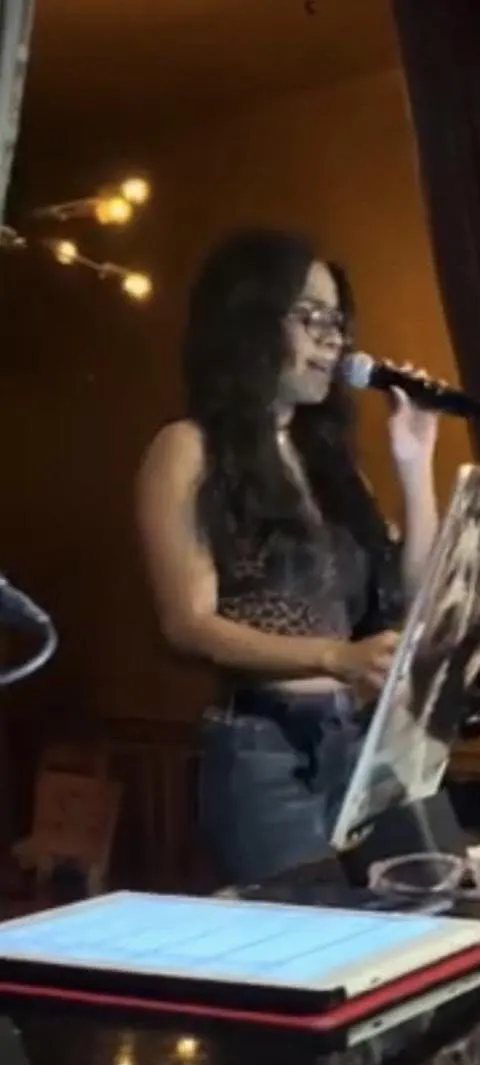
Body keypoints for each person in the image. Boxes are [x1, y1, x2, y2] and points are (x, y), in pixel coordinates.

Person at [135, 227, 440, 885]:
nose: (333, 339)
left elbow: (418, 598)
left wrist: (416, 465)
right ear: (249, 322)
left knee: (423, 925)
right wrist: (333, 656)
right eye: (311, 318)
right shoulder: (187, 448)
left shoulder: (329, 464)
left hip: (362, 743)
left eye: (338, 321)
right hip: (263, 751)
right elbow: (188, 622)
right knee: (319, 947)